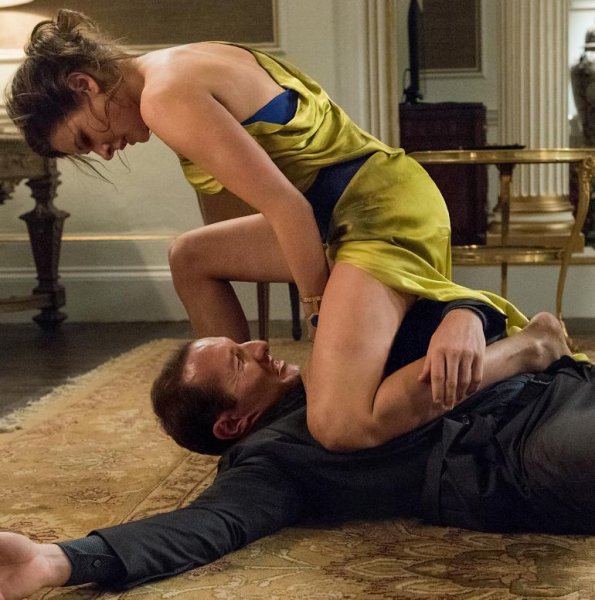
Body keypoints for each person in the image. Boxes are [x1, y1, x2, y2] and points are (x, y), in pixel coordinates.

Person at [4, 9, 531, 451]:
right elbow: (254, 209)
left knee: (341, 424)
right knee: (190, 256)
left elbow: (287, 209)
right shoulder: (176, 62)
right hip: (337, 209)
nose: (103, 151)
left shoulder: (166, 97)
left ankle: (530, 345)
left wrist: (319, 314)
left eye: (84, 138)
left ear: (84, 84)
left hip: (379, 209)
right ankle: (250, 415)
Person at [0, 304, 590, 598]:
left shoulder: (333, 371)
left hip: (555, 386)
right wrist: (55, 561)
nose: (260, 344)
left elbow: (419, 306)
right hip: (516, 456)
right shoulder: (270, 460)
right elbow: (208, 525)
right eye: (239, 361)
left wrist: (464, 314)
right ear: (233, 422)